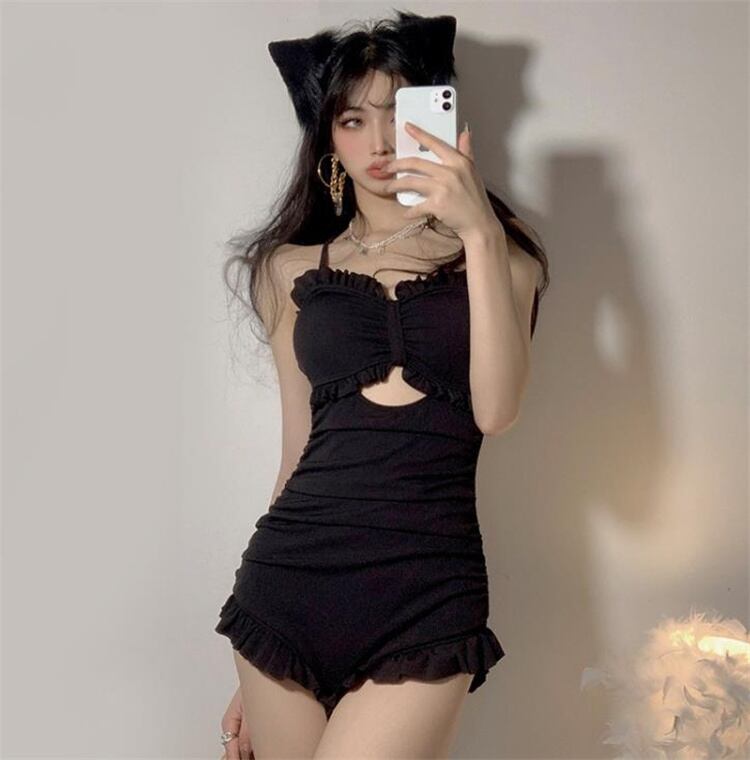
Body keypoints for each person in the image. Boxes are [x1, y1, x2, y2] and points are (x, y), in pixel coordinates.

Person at [216, 9, 550, 759]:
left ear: (438, 118)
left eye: (399, 113)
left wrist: (478, 230)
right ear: (327, 139)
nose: (378, 142)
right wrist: (257, 658)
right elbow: (297, 446)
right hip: (287, 582)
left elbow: (496, 411)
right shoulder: (289, 268)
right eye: (352, 119)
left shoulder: (504, 263)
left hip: (426, 594)